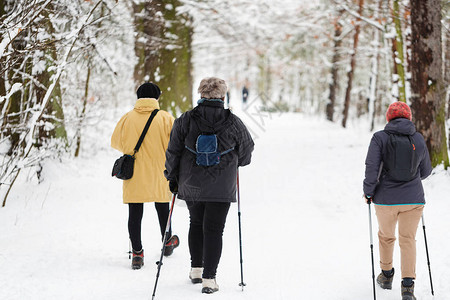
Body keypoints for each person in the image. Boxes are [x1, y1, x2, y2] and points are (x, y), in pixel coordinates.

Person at [164, 77, 254, 294]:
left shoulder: (185, 120)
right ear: (223, 97)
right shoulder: (233, 122)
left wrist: (172, 176)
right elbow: (247, 151)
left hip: (191, 184)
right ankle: (209, 279)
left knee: (195, 223)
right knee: (214, 229)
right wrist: (237, 161)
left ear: (200, 95)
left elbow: (173, 151)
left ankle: (196, 268)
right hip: (222, 186)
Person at [363, 101, 432, 300]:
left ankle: (386, 275)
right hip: (413, 200)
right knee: (408, 240)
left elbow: (371, 168)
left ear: (389, 117)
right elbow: (426, 171)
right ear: (409, 117)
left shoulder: (379, 138)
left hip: (385, 200)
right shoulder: (417, 139)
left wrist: (369, 192)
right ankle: (408, 286)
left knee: (386, 237)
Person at [111, 82, 179, 270]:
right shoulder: (166, 118)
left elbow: (116, 142)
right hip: (160, 171)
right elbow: (175, 144)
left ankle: (137, 253)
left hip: (134, 173)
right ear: (157, 97)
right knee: (162, 207)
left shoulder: (127, 118)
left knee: (135, 212)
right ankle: (167, 243)